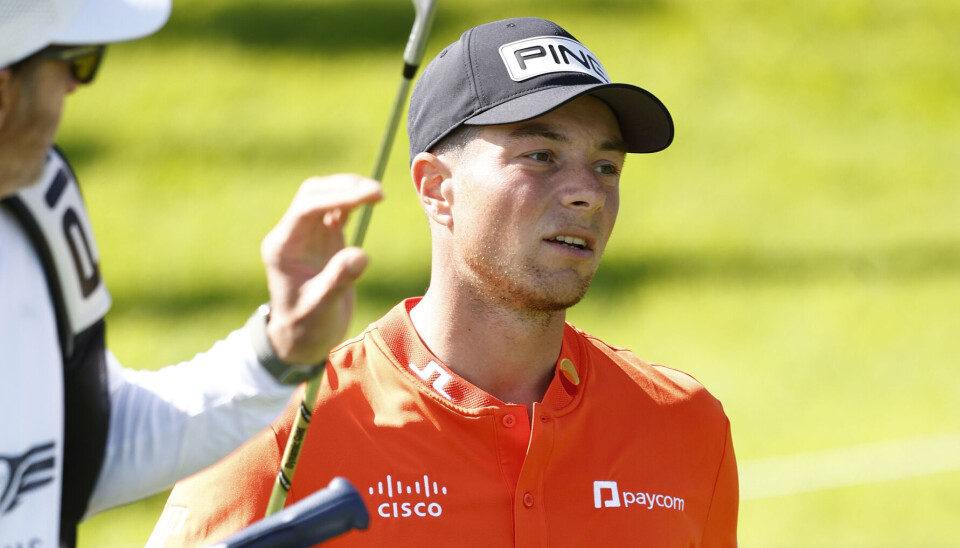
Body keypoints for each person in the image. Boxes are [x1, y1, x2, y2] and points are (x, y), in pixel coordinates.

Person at [149, 17, 739, 547]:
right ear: (436, 187)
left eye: (607, 166)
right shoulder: (277, 429)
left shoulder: (685, 424)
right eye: (540, 155)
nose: (587, 192)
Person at [0, 1, 381, 547]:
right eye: (76, 60)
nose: (75, 87)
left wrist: (276, 351)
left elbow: (82, 446)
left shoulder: (40, 196)